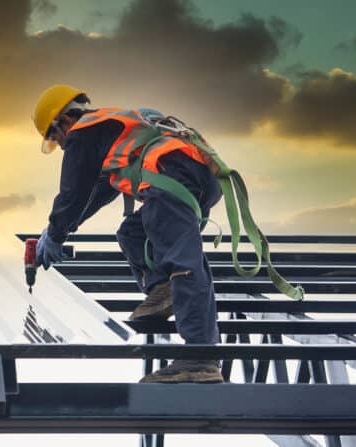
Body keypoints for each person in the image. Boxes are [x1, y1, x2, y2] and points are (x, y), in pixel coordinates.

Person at [31, 85, 223, 383]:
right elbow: (95, 194)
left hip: (171, 177)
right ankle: (162, 291)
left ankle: (199, 359)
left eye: (56, 137)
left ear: (64, 121)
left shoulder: (83, 133)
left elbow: (73, 193)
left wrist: (54, 234)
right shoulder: (110, 129)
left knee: (183, 262)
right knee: (133, 233)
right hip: (188, 176)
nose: (61, 145)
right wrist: (60, 230)